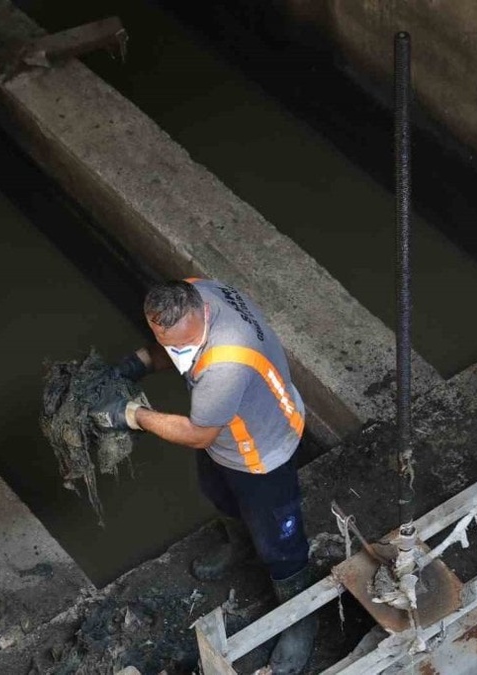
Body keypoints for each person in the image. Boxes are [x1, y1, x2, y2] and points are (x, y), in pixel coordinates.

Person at [92, 278, 316, 674]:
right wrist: (136, 364)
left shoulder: (225, 365)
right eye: (167, 343)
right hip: (228, 436)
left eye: (185, 347)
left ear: (204, 315)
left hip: (262, 450)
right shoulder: (195, 290)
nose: (178, 355)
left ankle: (301, 620)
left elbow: (199, 434)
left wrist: (132, 415)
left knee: (280, 542)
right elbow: (172, 349)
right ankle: (240, 545)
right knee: (219, 494)